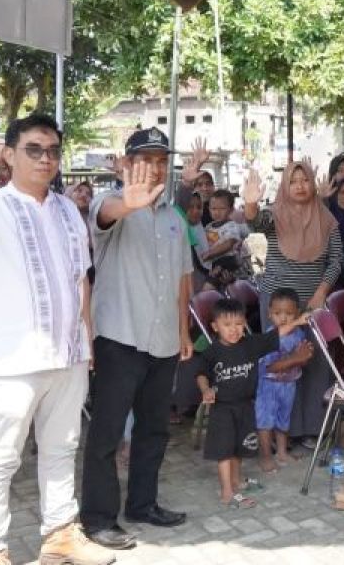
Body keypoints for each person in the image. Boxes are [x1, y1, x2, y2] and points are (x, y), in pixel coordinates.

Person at [0, 115, 113, 565]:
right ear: (10, 154)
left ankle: (59, 533)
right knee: (0, 459)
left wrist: (88, 337)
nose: (45, 158)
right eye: (34, 149)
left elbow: (81, 279)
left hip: (69, 354)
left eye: (53, 150)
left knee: (62, 449)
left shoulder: (66, 211)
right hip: (12, 360)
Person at [81, 127, 196, 550]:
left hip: (164, 339)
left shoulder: (172, 217)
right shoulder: (109, 204)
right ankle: (97, 518)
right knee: (107, 434)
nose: (155, 166)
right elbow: (107, 213)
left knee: (154, 429)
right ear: (127, 164)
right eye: (145, 159)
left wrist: (184, 330)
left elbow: (185, 277)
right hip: (120, 337)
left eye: (161, 159)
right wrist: (128, 203)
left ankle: (143, 504)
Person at [243, 162, 342, 449]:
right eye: (293, 181)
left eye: (304, 180)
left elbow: (336, 260)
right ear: (285, 186)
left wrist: (321, 292)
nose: (300, 186)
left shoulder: (326, 218)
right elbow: (254, 221)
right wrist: (250, 203)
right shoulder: (274, 215)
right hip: (277, 306)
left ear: (312, 184)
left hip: (313, 304)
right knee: (277, 366)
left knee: (313, 362)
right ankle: (273, 431)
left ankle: (310, 429)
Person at [196, 299, 310, 508]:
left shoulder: (250, 344)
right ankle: (227, 493)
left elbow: (276, 334)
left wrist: (298, 322)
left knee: (240, 448)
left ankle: (237, 481)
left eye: (238, 324)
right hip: (222, 409)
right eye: (227, 325)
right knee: (225, 451)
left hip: (245, 405)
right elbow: (201, 374)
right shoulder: (212, 352)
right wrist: (206, 390)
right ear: (215, 327)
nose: (234, 330)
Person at [256, 289, 314, 473]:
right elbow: (269, 368)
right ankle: (265, 457)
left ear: (297, 313)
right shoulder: (271, 336)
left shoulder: (299, 334)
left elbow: (302, 359)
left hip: (288, 384)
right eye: (277, 313)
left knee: (283, 419)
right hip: (268, 386)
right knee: (265, 421)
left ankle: (281, 452)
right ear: (269, 313)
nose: (283, 318)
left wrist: (306, 357)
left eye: (289, 314)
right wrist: (297, 358)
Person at [202, 189, 248, 272]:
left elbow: (229, 243)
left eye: (222, 208)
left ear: (231, 210)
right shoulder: (208, 227)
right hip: (213, 260)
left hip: (228, 260)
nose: (217, 212)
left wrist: (209, 254)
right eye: (213, 208)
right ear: (208, 209)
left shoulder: (231, 226)